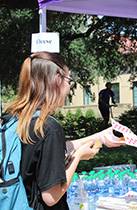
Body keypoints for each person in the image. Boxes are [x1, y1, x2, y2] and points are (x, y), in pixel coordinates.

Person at [4, 52, 122, 210]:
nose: (69, 87)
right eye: (69, 80)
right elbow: (51, 196)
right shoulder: (49, 127)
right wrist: (78, 156)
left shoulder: (14, 118)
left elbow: (42, 154)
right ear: (57, 79)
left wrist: (100, 136)